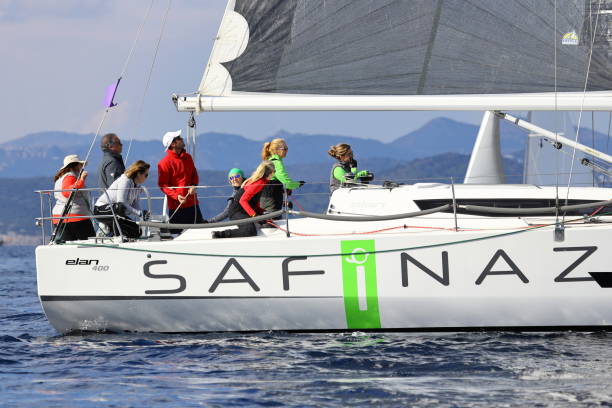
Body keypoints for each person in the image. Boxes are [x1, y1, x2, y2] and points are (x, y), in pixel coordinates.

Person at [212, 161, 275, 239]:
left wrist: (262, 212)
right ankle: (219, 234)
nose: (274, 174)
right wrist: (254, 215)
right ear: (269, 173)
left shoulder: (262, 182)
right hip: (236, 211)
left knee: (265, 220)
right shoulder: (259, 183)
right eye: (274, 171)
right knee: (250, 230)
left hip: (243, 210)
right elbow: (243, 201)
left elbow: (254, 201)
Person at [158, 129, 204, 233]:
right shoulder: (164, 163)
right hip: (176, 207)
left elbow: (194, 175)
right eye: (179, 138)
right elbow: (163, 185)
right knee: (176, 236)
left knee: (200, 233)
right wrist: (176, 196)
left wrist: (194, 185)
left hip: (193, 204)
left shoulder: (188, 157)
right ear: (173, 144)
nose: (182, 139)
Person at [94, 160, 150, 239]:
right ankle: (110, 232)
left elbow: (136, 206)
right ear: (138, 174)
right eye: (146, 175)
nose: (147, 177)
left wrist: (142, 214)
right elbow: (121, 202)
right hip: (101, 209)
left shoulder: (137, 187)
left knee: (137, 231)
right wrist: (139, 213)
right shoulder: (125, 180)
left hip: (116, 212)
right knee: (119, 207)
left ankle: (112, 230)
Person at [52, 154, 95, 242]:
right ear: (75, 165)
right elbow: (68, 192)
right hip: (75, 218)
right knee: (91, 242)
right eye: (80, 165)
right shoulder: (70, 177)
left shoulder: (60, 179)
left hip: (59, 218)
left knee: (68, 245)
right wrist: (82, 179)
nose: (81, 167)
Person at [259, 138, 305, 213]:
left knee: (267, 220)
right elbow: (287, 182)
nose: (287, 151)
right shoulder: (276, 163)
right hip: (271, 199)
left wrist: (282, 189)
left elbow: (272, 181)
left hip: (264, 197)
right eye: (285, 149)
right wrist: (298, 184)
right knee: (273, 221)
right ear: (276, 150)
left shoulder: (270, 160)